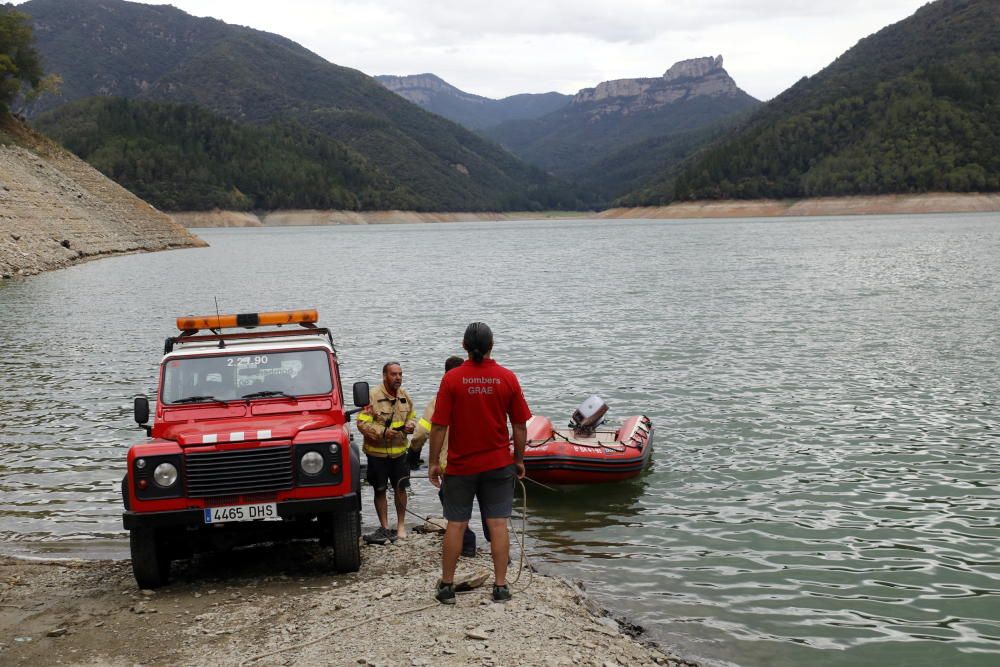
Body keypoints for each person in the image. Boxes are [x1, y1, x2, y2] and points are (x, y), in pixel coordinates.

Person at [428, 323, 530, 605]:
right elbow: (520, 425)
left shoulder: (452, 379)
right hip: (498, 464)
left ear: (463, 346)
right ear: (491, 346)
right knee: (498, 524)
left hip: (461, 467)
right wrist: (518, 460)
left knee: (456, 524)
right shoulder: (507, 378)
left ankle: (447, 586)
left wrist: (434, 462)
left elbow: (438, 426)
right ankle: (500, 587)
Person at [410, 355, 489, 558]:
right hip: (482, 462)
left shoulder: (439, 400)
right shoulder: (477, 395)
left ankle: (467, 540)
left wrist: (414, 452)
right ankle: (497, 545)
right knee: (488, 506)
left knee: (453, 504)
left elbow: (422, 432)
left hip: (452, 464)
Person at [356, 361, 417, 544]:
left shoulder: (405, 396)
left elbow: (412, 416)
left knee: (401, 489)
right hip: (377, 454)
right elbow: (362, 423)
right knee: (380, 489)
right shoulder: (372, 396)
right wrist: (382, 432)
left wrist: (411, 426)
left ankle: (400, 526)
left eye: (400, 374)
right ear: (385, 376)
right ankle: (384, 527)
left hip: (400, 454)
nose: (398, 377)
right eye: (393, 374)